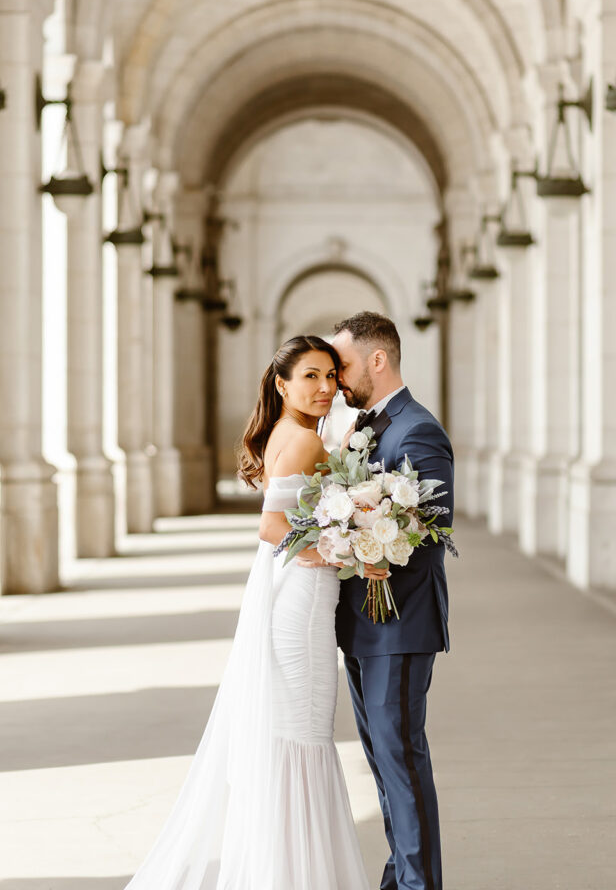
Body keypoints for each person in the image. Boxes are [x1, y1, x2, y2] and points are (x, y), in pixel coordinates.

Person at [122, 334, 379, 890]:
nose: (325, 387)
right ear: (281, 384)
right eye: (310, 376)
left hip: (295, 596)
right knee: (304, 736)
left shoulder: (289, 433)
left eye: (330, 376)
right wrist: (353, 552)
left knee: (294, 737)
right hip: (302, 605)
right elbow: (272, 527)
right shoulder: (303, 440)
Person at [333, 312, 454, 890]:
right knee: (383, 764)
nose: (337, 378)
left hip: (399, 623)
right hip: (362, 624)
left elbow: (432, 531)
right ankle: (400, 876)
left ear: (377, 359)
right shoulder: (365, 427)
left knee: (401, 759)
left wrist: (365, 543)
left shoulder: (418, 429)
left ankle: (418, 883)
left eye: (343, 365)